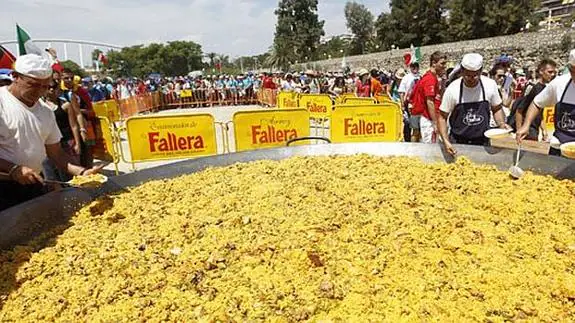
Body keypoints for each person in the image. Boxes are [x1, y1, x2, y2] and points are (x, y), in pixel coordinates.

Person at [0, 54, 102, 212]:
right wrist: (14, 169)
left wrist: (82, 172)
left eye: (45, 86)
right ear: (15, 77)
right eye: (33, 85)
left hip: (33, 182)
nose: (39, 91)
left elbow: (56, 153)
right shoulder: (2, 102)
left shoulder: (45, 111)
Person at [438, 53, 510, 156]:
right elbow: (442, 117)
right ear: (462, 71)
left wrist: (502, 124)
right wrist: (446, 141)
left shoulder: (490, 85)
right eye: (468, 75)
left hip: (482, 140)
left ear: (481, 71)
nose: (472, 79)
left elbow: (497, 108)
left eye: (475, 75)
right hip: (458, 141)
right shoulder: (453, 89)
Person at [517, 50, 575, 156]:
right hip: (559, 147)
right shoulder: (559, 84)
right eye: (573, 72)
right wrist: (526, 125)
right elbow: (536, 103)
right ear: (570, 69)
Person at [42, 78, 82, 183]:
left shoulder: (65, 105)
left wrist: (77, 143)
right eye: (48, 87)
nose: (51, 90)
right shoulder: (40, 107)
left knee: (71, 175)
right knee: (53, 176)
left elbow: (73, 125)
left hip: (66, 142)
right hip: (49, 145)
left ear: (57, 89)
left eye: (53, 87)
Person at [512, 59, 557, 141]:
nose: (553, 74)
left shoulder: (546, 89)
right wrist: (519, 130)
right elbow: (519, 110)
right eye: (550, 72)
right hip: (527, 129)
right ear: (541, 72)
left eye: (554, 72)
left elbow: (540, 112)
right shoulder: (533, 87)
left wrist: (545, 130)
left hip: (534, 129)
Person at [411, 51, 448, 144]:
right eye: (442, 63)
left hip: (433, 118)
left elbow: (439, 96)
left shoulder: (433, 77)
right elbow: (429, 101)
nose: (444, 66)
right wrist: (435, 122)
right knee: (432, 148)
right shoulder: (430, 79)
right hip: (429, 120)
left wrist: (443, 83)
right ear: (434, 63)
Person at [399, 62, 421, 142]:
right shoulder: (406, 78)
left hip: (419, 104)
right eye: (413, 66)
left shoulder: (420, 77)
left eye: (416, 66)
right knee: (410, 125)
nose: (415, 68)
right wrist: (402, 105)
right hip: (410, 104)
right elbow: (402, 91)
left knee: (418, 127)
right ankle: (408, 141)